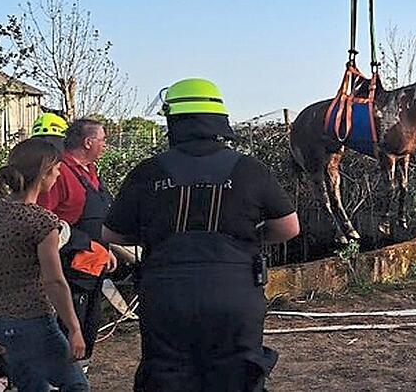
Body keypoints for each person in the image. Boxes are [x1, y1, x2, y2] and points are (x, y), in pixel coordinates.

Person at [103, 78, 301, 391]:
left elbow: (111, 232)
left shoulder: (148, 171)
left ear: (173, 120)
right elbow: (289, 227)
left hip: (167, 296)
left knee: (167, 378)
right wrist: (247, 239)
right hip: (235, 293)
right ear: (220, 119)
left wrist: (157, 238)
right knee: (237, 378)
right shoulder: (249, 168)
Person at [0, 138, 89, 391]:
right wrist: (74, 328)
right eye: (57, 169)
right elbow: (54, 281)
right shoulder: (42, 221)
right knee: (76, 385)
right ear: (44, 173)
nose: (59, 174)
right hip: (34, 320)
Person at [37, 118, 116, 373]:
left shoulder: (90, 172)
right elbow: (44, 222)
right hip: (68, 270)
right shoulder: (59, 173)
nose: (105, 145)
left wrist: (107, 250)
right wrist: (85, 243)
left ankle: (80, 376)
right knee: (69, 332)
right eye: (102, 140)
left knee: (89, 326)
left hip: (93, 268)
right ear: (88, 142)